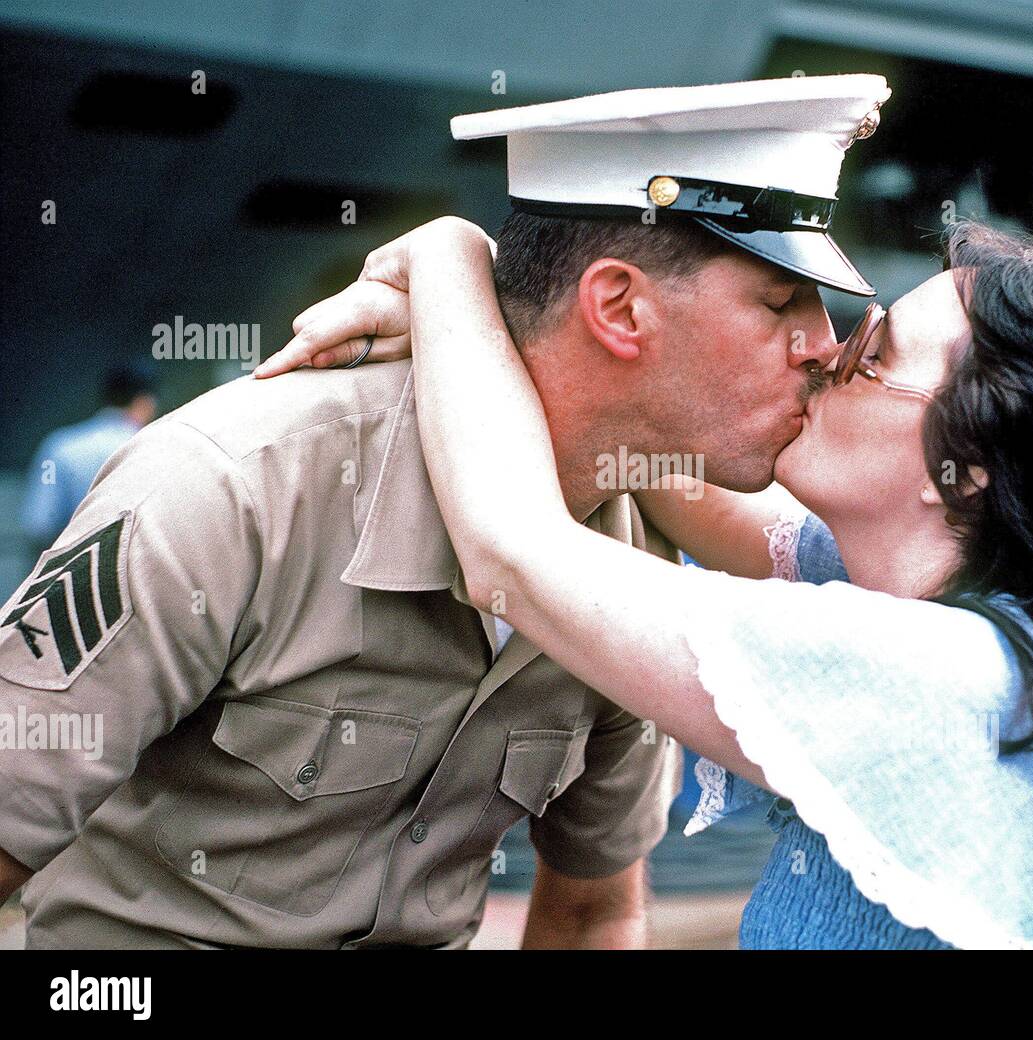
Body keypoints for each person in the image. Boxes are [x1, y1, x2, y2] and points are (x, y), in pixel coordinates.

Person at [0, 75, 892, 948]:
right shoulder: (237, 490)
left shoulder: (634, 565)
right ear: (619, 308)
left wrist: (448, 263)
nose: (822, 346)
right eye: (779, 302)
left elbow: (593, 910)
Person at [260, 215, 1033, 948]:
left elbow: (514, 552)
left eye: (874, 350)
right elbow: (672, 484)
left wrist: (453, 258)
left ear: (970, 465)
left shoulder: (945, 677)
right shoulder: (996, 628)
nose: (828, 353)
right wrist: (533, 349)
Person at [19, 362, 158, 556]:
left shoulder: (59, 446)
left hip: (72, 574)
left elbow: (38, 525)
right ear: (144, 403)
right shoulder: (152, 448)